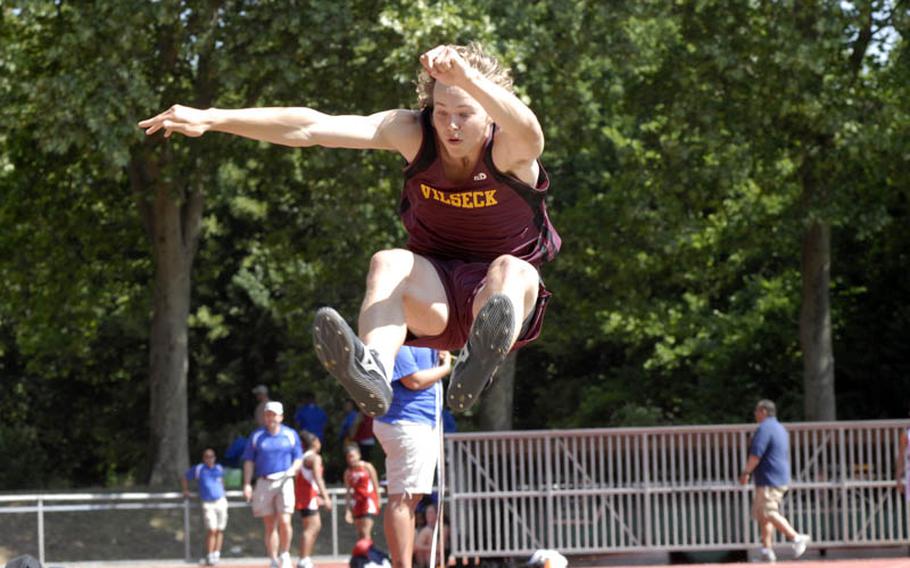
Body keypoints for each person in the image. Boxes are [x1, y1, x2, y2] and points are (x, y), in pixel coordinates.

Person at [138, 42, 561, 418]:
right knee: (388, 261)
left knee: (514, 269)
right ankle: (374, 368)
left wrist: (467, 76)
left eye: (464, 115)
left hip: (496, 300)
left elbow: (532, 132)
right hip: (436, 298)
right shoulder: (413, 133)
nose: (450, 126)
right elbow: (311, 127)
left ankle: (478, 360)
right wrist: (213, 118)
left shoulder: (510, 149)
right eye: (442, 112)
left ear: (490, 113)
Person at [372, 345, 451, 568]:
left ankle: (404, 563)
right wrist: (445, 368)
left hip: (417, 422)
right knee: (403, 498)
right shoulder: (399, 338)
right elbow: (413, 381)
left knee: (409, 499)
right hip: (406, 421)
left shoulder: (425, 336)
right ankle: (401, 564)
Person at [738, 399, 811, 562]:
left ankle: (795, 537)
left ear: (763, 411)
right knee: (763, 516)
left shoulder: (764, 429)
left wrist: (746, 472)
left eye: (757, 411)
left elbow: (756, 454)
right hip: (776, 477)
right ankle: (767, 550)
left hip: (768, 478)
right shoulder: (779, 428)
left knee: (767, 511)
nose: (755, 414)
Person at [242, 401, 304, 568]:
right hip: (264, 481)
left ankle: (285, 553)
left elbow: (298, 457)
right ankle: (273, 559)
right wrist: (247, 484)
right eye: (268, 414)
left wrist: (293, 469)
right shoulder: (257, 436)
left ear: (281, 417)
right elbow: (249, 461)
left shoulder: (290, 435)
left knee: (285, 520)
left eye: (274, 414)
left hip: (285, 480)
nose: (271, 417)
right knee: (270, 524)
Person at [181, 448, 229, 566]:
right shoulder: (199, 469)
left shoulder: (219, 468)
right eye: (207, 456)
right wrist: (185, 490)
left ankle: (217, 553)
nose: (210, 458)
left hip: (221, 501)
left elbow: (222, 481)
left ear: (214, 458)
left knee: (220, 529)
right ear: (204, 458)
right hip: (208, 503)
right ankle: (210, 554)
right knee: (212, 529)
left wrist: (223, 490)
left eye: (212, 456)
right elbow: (185, 477)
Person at [295, 431, 333, 568]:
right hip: (307, 497)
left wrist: (317, 495)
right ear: (315, 442)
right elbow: (318, 478)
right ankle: (303, 558)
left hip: (306, 496)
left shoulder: (302, 457)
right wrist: (326, 497)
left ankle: (305, 558)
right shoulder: (314, 458)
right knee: (312, 527)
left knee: (311, 527)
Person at [343, 443, 382, 541]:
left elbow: (375, 484)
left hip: (368, 501)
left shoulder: (367, 467)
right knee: (360, 533)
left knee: (366, 531)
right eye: (348, 457)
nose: (351, 459)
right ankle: (362, 553)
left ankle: (367, 554)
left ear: (358, 455)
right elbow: (348, 492)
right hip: (357, 503)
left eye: (352, 456)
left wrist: (378, 499)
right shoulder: (348, 472)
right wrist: (348, 510)